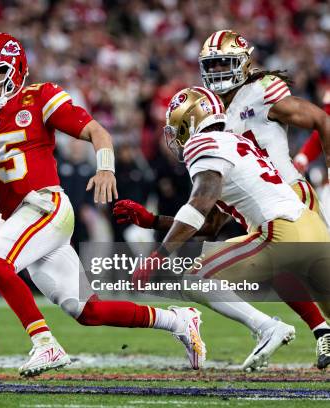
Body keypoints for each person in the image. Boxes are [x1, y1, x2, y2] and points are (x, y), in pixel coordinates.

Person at [0, 33, 206, 376]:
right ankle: (179, 320)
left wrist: (105, 168)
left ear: (17, 70)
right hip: (22, 218)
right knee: (88, 312)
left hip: (45, 206)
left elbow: (98, 132)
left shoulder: (40, 96)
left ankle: (45, 345)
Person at [114, 87, 330, 370]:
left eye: (178, 126)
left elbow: (199, 204)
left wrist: (159, 254)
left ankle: (267, 327)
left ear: (191, 121)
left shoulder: (202, 144)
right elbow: (210, 225)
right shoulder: (233, 142)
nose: (176, 136)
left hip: (280, 233)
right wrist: (153, 220)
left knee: (194, 278)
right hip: (312, 230)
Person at [198, 30, 330, 368]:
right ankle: (321, 331)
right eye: (211, 66)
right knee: (293, 274)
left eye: (224, 64)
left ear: (243, 64)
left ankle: (308, 330)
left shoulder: (260, 90)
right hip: (257, 209)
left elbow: (320, 119)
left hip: (288, 194)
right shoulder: (211, 113)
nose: (217, 73)